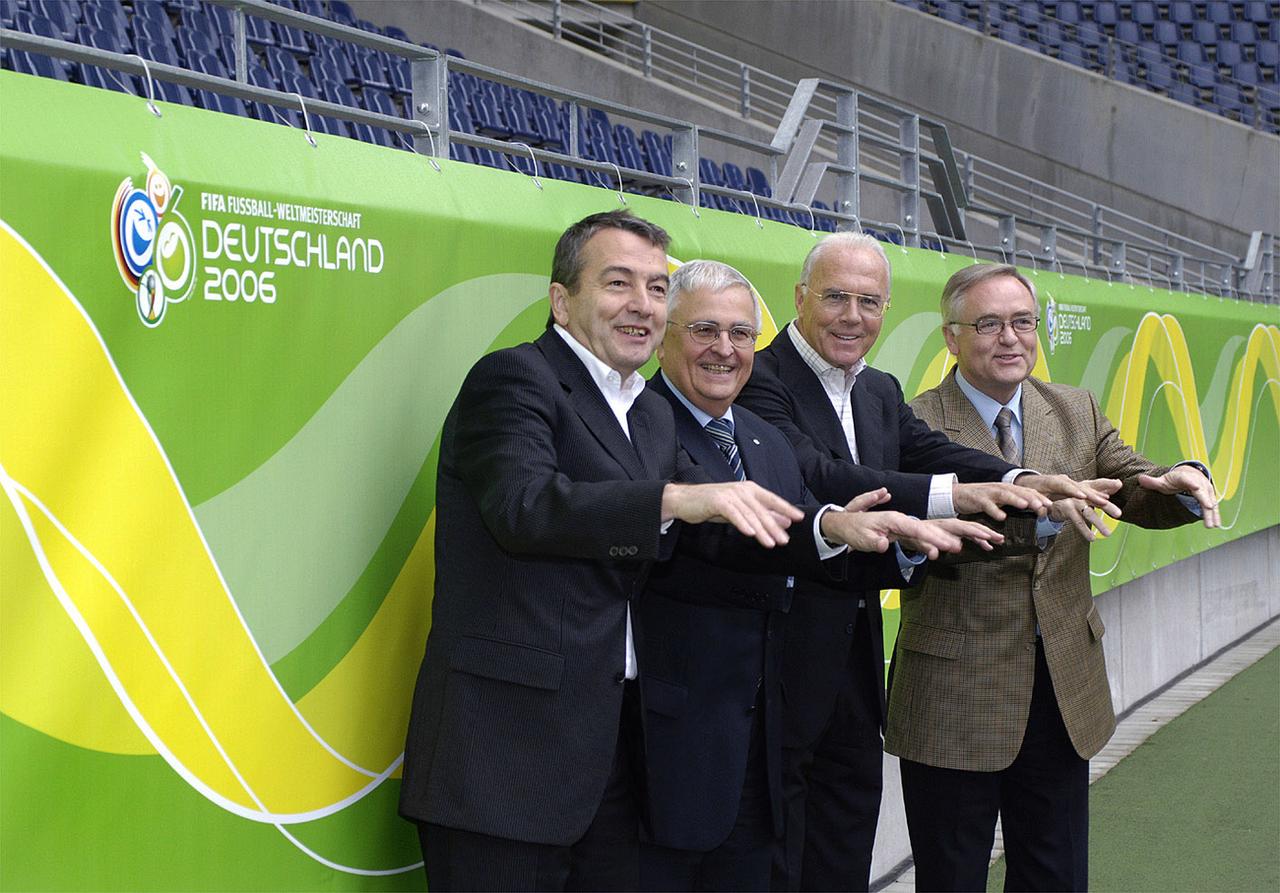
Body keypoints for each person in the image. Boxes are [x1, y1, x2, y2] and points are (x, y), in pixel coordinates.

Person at [397, 210, 809, 892]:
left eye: (655, 287)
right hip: (503, 759)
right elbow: (524, 506)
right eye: (619, 283)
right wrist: (669, 500)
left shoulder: (644, 410)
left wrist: (829, 529)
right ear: (562, 298)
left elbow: (714, 513)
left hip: (609, 761)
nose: (642, 304)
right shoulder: (512, 379)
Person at [735, 232, 1117, 892]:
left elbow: (933, 452)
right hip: (774, 674)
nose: (853, 315)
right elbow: (823, 474)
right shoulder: (758, 379)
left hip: (853, 677)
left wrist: (1021, 477)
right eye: (835, 297)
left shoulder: (876, 388)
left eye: (869, 301)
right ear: (799, 298)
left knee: (840, 859)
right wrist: (961, 496)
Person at [636, 260, 1003, 892]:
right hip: (701, 718)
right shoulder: (658, 419)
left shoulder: (787, 423)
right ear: (800, 300)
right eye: (704, 331)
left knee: (832, 850)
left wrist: (928, 530)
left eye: (738, 335)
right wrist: (867, 522)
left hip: (821, 679)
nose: (725, 351)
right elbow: (782, 514)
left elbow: (815, 517)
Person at [887, 262, 1219, 892]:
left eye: (1023, 322)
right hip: (958, 693)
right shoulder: (914, 422)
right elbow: (925, 535)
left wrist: (1179, 479)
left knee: (1056, 875)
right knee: (951, 876)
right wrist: (1040, 513)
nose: (1011, 338)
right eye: (989, 324)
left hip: (1063, 687)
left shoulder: (1073, 408)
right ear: (951, 337)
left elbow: (1132, 483)